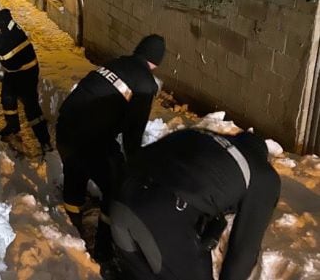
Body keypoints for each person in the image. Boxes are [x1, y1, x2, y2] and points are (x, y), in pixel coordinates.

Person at [109, 128, 280, 280]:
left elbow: (142, 160)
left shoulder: (200, 136)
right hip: (161, 212)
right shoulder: (264, 175)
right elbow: (244, 250)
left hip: (120, 200)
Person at [55, 34, 165, 262]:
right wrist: (134, 168)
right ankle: (103, 250)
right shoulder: (145, 83)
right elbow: (133, 133)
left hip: (66, 127)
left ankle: (72, 233)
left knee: (75, 177)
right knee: (116, 186)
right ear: (157, 61)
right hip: (92, 138)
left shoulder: (116, 63)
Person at [0, 0, 52, 153]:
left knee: (31, 108)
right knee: (7, 98)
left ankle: (45, 141)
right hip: (14, 71)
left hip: (26, 71)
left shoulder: (0, 24)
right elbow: (3, 46)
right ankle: (13, 128)